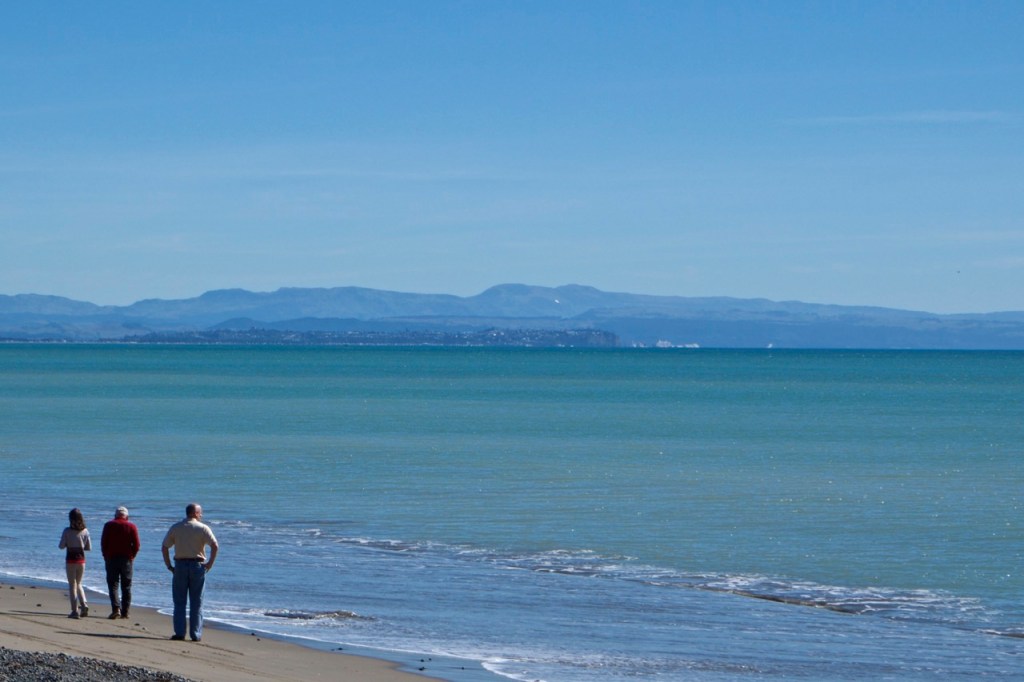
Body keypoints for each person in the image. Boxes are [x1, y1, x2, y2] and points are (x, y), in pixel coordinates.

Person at [161, 503, 218, 642]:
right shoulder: (202, 528)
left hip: (180, 565)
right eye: (200, 513)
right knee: (196, 602)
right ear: (195, 513)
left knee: (179, 601)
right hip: (197, 565)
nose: (201, 515)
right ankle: (195, 634)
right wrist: (210, 563)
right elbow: (215, 546)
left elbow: (164, 547)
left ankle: (180, 633)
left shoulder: (177, 527)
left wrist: (169, 565)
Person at [100, 506, 141, 620]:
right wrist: (132, 556)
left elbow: (104, 542)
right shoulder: (131, 526)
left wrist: (105, 555)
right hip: (126, 559)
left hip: (111, 558)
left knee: (113, 584)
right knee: (126, 586)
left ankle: (116, 609)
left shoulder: (108, 525)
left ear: (115, 515)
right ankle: (125, 612)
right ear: (126, 516)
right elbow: (137, 545)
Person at [58, 508, 91, 618]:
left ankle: (74, 610)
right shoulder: (85, 531)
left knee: (72, 585)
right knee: (79, 583)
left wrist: (69, 542)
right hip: (81, 560)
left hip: (71, 560)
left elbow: (61, 546)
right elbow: (88, 547)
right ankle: (84, 604)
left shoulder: (67, 531)